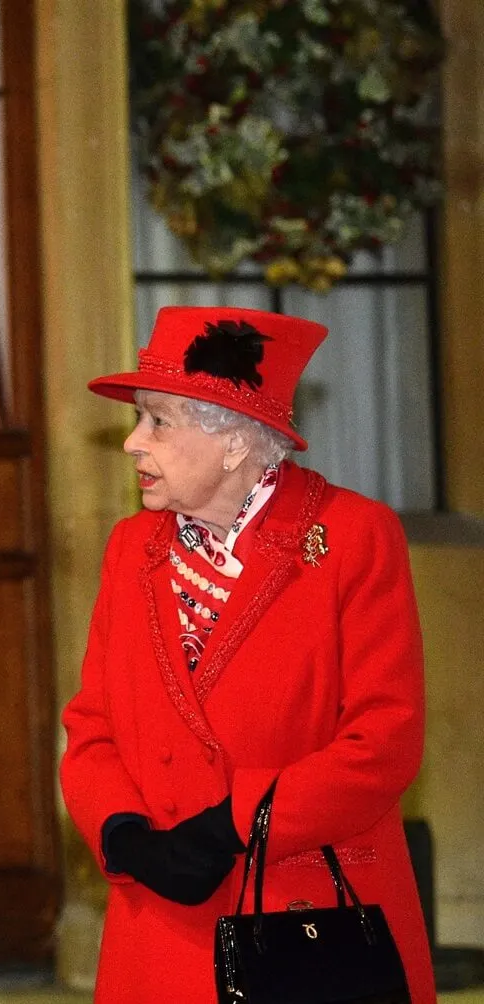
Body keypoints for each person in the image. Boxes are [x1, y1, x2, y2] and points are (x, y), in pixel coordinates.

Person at [60, 306, 435, 1004]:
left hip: (307, 919)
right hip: (159, 929)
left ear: (231, 438)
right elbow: (92, 727)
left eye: (157, 420)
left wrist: (234, 824)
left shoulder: (352, 538)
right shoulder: (129, 548)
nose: (133, 444)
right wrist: (123, 833)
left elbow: (383, 742)